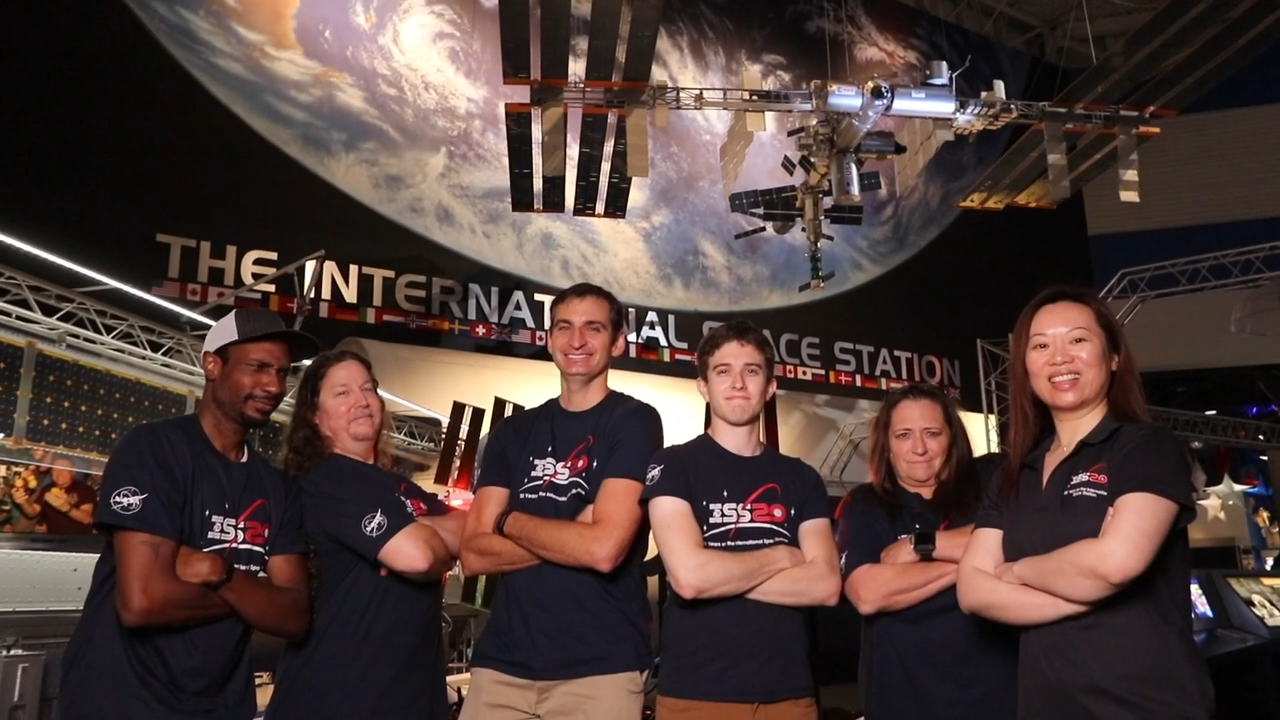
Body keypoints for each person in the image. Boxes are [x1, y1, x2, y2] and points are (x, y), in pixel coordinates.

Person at [956, 286, 1214, 719]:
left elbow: (1115, 563)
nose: (1059, 357)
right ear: (1025, 367)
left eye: (1077, 339)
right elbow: (973, 590)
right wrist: (1085, 589)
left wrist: (1016, 571)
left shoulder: (1145, 447)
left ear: (1113, 357)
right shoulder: (1013, 473)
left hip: (1147, 705)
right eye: (1040, 346)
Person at [59, 308, 320, 720]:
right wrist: (255, 595)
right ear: (213, 364)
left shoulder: (277, 487)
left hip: (219, 707)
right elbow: (142, 603)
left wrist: (223, 573)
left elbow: (294, 616)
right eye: (258, 367)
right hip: (121, 704)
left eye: (283, 373)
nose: (274, 385)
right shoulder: (153, 451)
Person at [459, 282, 664, 719]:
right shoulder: (512, 434)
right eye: (564, 328)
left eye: (593, 328)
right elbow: (474, 553)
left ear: (618, 341)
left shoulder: (634, 422)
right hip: (502, 669)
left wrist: (507, 520)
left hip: (599, 670)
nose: (576, 341)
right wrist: (575, 530)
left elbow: (604, 550)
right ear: (549, 339)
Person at [643, 320, 840, 720]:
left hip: (789, 696)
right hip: (697, 695)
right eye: (722, 371)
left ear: (769, 387)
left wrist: (719, 570)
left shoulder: (801, 477)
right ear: (703, 386)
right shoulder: (674, 465)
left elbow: (825, 585)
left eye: (751, 371)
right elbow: (689, 578)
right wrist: (782, 556)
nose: (738, 382)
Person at [265, 349, 467, 718]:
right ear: (315, 416)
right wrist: (426, 539)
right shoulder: (328, 478)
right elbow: (419, 557)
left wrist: (413, 530)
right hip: (339, 701)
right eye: (342, 393)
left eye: (368, 389)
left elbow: (468, 532)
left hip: (408, 701)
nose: (361, 401)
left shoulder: (398, 487)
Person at [835, 384, 1017, 720]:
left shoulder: (991, 477)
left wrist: (922, 546)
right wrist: (982, 560)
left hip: (998, 702)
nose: (919, 448)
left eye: (932, 433)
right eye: (904, 435)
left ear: (953, 437)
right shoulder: (865, 505)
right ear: (887, 445)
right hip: (903, 704)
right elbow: (868, 593)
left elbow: (1024, 537)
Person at [10, 455, 96, 534]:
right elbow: (32, 512)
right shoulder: (47, 488)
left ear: (73, 472)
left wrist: (66, 508)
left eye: (64, 469)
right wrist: (23, 502)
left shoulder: (83, 488)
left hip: (80, 540)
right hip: (55, 540)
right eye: (55, 469)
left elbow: (86, 519)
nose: (59, 472)